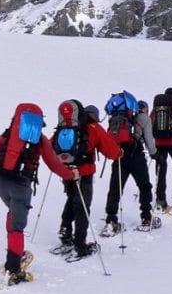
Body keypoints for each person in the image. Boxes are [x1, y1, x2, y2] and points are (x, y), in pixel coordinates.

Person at [0, 102, 75, 284]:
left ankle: (14, 253)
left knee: (13, 216)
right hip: (21, 186)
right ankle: (14, 268)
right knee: (17, 227)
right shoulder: (39, 140)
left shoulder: (9, 134)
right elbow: (54, 164)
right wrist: (71, 175)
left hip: (0, 183)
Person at [52, 101, 121, 261]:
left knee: (71, 200)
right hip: (84, 172)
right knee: (82, 205)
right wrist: (119, 153)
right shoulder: (93, 128)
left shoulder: (65, 127)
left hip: (67, 171)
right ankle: (80, 244)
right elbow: (111, 150)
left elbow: (51, 145)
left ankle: (65, 232)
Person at [102, 92, 159, 234]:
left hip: (119, 155)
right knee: (144, 186)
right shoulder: (144, 118)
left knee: (115, 188)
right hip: (136, 156)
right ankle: (146, 217)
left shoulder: (117, 118)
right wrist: (155, 155)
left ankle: (111, 220)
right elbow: (149, 140)